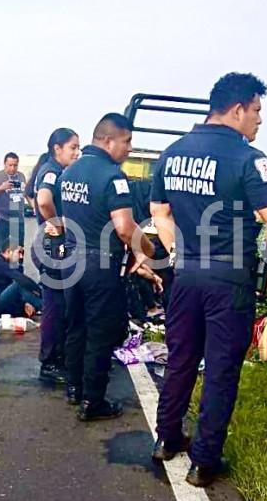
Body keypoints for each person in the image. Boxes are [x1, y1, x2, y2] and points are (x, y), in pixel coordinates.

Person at [150, 73, 267, 487]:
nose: (259, 121)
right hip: (228, 280)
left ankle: (166, 439)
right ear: (237, 109)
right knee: (220, 371)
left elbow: (159, 211)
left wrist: (177, 250)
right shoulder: (248, 159)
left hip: (185, 276)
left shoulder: (172, 153)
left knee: (179, 360)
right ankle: (204, 461)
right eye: (257, 111)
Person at [61, 113, 155, 421]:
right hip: (100, 264)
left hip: (70, 258)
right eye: (126, 141)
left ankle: (73, 387)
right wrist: (149, 249)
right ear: (107, 140)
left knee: (76, 326)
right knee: (100, 332)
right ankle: (93, 401)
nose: (129, 148)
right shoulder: (113, 177)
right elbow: (125, 228)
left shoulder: (70, 172)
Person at [33, 128, 81, 383]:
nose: (77, 152)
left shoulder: (53, 170)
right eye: (73, 147)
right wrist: (57, 224)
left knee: (60, 304)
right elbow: (42, 200)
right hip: (53, 246)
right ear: (57, 149)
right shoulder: (52, 170)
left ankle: (57, 356)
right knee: (54, 305)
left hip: (51, 242)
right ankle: (49, 363)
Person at [0, 242, 42, 324]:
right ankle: (46, 306)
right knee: (18, 285)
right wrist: (39, 292)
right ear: (9, 252)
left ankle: (41, 306)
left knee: (19, 287)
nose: (21, 256)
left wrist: (25, 303)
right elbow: (22, 280)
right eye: (19, 252)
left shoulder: (0, 262)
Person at [0, 152, 27, 247]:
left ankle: (19, 262)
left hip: (18, 219)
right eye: (10, 165)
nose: (13, 168)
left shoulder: (21, 176)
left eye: (15, 165)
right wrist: (1, 187)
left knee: (19, 247)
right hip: (3, 219)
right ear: (4, 164)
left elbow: (25, 193)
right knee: (3, 249)